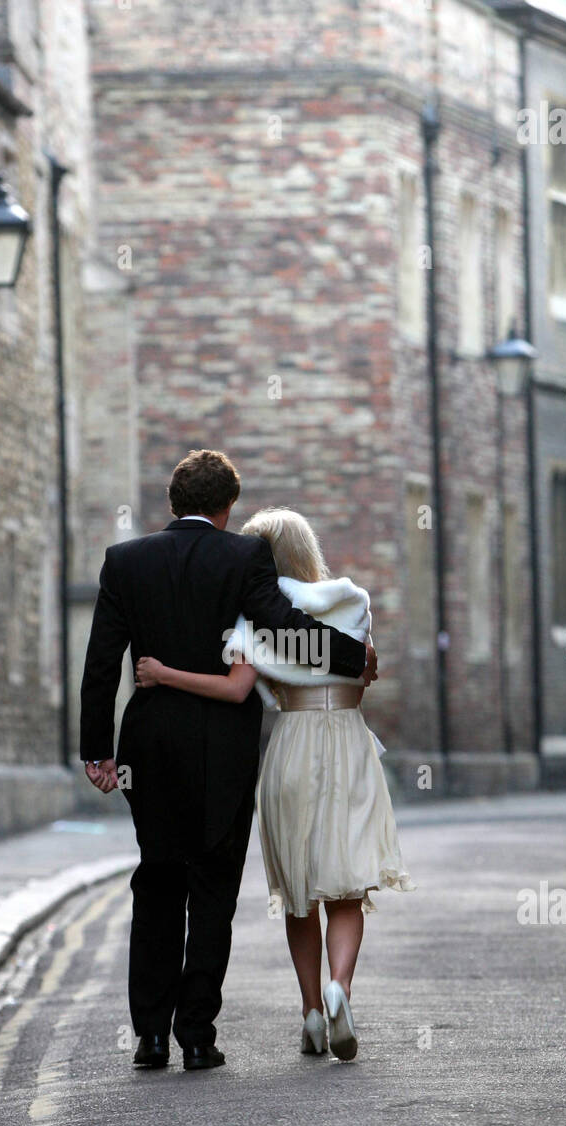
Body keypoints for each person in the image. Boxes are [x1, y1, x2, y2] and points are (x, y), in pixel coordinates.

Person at [79, 452, 375, 1070]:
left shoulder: (125, 561)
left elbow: (102, 660)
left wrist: (96, 752)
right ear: (228, 507)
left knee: (157, 878)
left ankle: (151, 1036)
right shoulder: (244, 557)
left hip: (150, 745)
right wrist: (354, 658)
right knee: (212, 886)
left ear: (172, 502)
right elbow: (282, 624)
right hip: (223, 747)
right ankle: (195, 1036)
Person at [135, 507, 413, 1061]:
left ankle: (312, 1013)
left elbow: (237, 690)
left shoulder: (253, 620)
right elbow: (367, 673)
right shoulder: (351, 603)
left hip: (291, 747)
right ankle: (341, 988)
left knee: (300, 889)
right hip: (348, 744)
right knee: (347, 885)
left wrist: (163, 674)